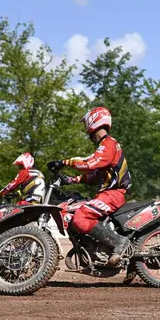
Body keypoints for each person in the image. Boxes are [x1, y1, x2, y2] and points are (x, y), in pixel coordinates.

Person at [47, 106, 131, 266]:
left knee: (80, 218)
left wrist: (64, 162)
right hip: (108, 194)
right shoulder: (107, 146)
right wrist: (71, 180)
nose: (86, 131)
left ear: (93, 122)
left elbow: (90, 164)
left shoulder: (108, 144)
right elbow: (95, 176)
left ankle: (120, 242)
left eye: (86, 125)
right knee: (77, 212)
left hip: (112, 195)